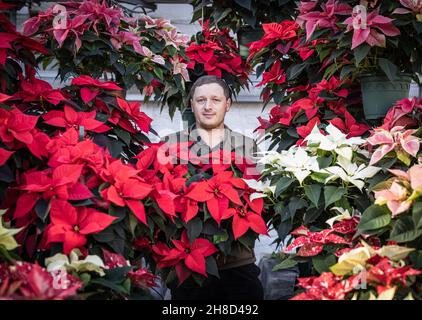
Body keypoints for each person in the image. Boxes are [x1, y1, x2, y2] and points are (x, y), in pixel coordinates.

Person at [161, 75, 264, 300]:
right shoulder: (171, 144)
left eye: (216, 100)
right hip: (190, 263)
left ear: (227, 104)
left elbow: (257, 196)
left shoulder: (246, 145)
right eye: (201, 100)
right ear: (191, 104)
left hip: (236, 260)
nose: (208, 106)